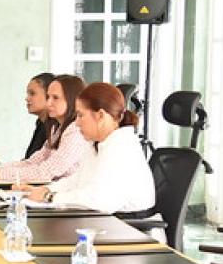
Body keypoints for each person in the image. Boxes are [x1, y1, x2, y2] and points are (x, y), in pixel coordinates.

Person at [22, 82, 155, 213]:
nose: (77, 123)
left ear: (101, 116)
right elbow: (78, 180)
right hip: (107, 221)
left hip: (130, 228)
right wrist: (46, 189)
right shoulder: (96, 143)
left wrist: (50, 197)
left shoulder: (121, 148)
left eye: (80, 115)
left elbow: (100, 200)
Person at [0, 75, 89, 183]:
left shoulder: (75, 131)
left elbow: (46, 172)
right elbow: (32, 162)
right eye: (48, 97)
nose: (49, 103)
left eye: (55, 98)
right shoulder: (57, 129)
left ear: (71, 99)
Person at [24, 72, 56, 158]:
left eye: (32, 93)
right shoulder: (41, 123)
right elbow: (30, 159)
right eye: (27, 94)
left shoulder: (55, 128)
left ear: (49, 95)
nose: (26, 98)